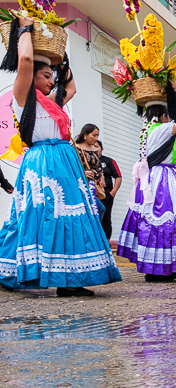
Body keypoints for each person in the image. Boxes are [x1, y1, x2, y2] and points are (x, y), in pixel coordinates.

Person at [0, 15, 121, 296]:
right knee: (37, 215)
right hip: (42, 162)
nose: (51, 79)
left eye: (52, 76)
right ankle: (11, 268)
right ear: (32, 78)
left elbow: (72, 86)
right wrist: (27, 30)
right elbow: (26, 63)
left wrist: (62, 58)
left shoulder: (54, 102)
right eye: (46, 75)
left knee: (73, 215)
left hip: (65, 163)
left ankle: (70, 279)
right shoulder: (23, 97)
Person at [117, 90, 176, 281]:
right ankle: (163, 266)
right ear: (164, 115)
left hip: (153, 177)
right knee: (171, 219)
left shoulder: (149, 130)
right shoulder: (162, 129)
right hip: (164, 178)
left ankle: (159, 265)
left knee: (153, 220)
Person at [74, 123, 106, 219]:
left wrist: (101, 176)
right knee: (98, 209)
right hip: (80, 185)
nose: (96, 138)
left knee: (97, 210)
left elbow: (98, 166)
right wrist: (83, 173)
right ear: (85, 134)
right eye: (94, 135)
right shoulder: (75, 148)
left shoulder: (95, 150)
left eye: (97, 136)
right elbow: (71, 166)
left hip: (92, 186)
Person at [97, 141, 122, 240]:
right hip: (91, 194)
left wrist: (113, 193)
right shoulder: (86, 160)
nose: (95, 149)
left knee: (106, 219)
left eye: (97, 147)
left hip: (106, 195)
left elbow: (118, 177)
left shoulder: (109, 161)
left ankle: (107, 244)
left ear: (102, 149)